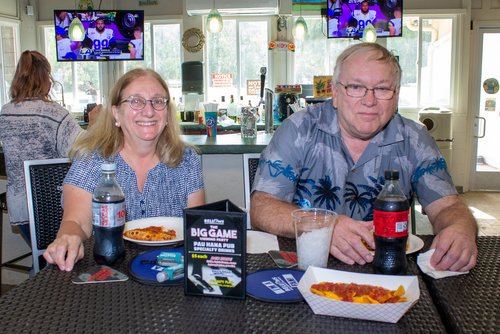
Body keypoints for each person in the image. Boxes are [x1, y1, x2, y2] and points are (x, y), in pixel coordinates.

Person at [250, 43, 478, 272]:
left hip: (387, 267)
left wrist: (460, 229)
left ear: (396, 96)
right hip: (307, 266)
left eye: (382, 89)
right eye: (356, 87)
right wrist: (325, 226)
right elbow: (262, 208)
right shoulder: (298, 129)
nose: (369, 101)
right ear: (336, 94)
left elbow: (448, 207)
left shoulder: (416, 140)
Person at [44, 68, 205, 272]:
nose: (148, 111)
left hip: (171, 273)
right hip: (110, 273)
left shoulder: (187, 160)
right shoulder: (92, 159)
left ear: (167, 114)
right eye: (136, 101)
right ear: (116, 113)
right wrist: (69, 237)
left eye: (158, 101)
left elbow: (196, 229)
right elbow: (76, 221)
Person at [0, 51, 82, 244]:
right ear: (45, 78)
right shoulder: (54, 114)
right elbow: (82, 151)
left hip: (20, 206)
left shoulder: (5, 112)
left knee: (42, 257)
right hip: (51, 207)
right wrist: (96, 125)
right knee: (56, 259)